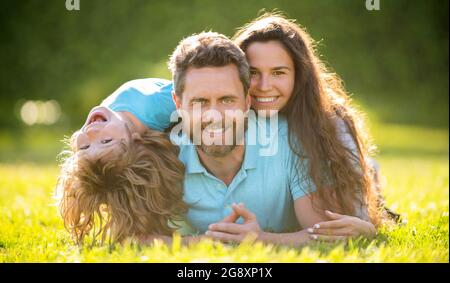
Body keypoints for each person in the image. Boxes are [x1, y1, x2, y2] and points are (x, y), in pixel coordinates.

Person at [215, 12, 399, 242]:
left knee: (370, 181)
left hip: (338, 181)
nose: (264, 86)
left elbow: (355, 219)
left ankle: (373, 171)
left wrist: (367, 227)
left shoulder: (331, 123)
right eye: (253, 73)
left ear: (299, 75)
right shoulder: (222, 111)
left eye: (278, 72)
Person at [55, 78, 187, 245]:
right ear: (136, 142)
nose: (91, 132)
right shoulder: (160, 105)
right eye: (106, 141)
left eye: (84, 147)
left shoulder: (108, 123)